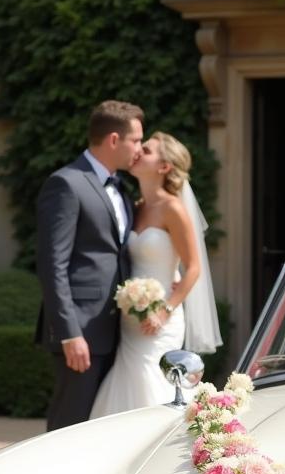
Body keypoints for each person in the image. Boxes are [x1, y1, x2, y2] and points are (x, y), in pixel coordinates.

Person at [89, 131, 222, 418]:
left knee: (152, 380)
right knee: (127, 380)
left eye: (146, 150)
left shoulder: (173, 208)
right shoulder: (134, 207)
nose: (138, 151)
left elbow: (194, 267)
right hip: (131, 319)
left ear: (164, 167)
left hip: (161, 318)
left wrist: (165, 309)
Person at [35, 100, 144, 431]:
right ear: (114, 139)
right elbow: (53, 263)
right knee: (70, 424)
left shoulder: (122, 189)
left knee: (101, 426)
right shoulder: (66, 183)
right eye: (136, 140)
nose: (139, 148)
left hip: (119, 331)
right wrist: (70, 333)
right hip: (82, 331)